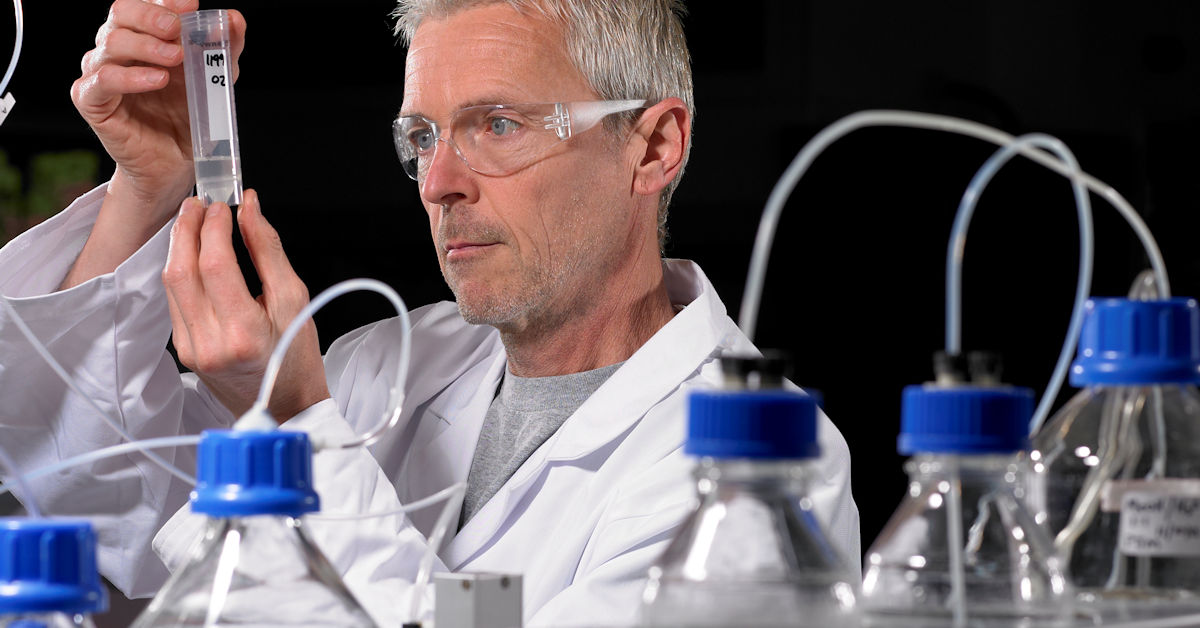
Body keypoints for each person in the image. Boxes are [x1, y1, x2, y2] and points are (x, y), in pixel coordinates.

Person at [0, 0, 859, 624]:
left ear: (654, 145)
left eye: (498, 125)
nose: (441, 182)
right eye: (422, 137)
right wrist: (148, 184)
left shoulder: (761, 473)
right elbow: (85, 495)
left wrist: (297, 423)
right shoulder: (383, 363)